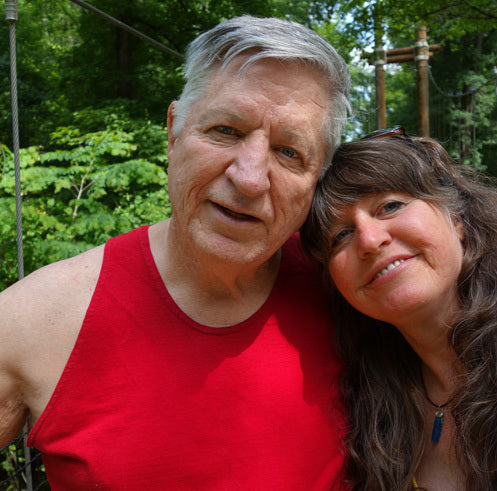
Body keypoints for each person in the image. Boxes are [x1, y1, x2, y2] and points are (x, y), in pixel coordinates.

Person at [0, 15, 352, 490]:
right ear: (173, 130)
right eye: (225, 130)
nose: (249, 178)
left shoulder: (354, 297)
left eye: (290, 152)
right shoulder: (33, 321)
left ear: (317, 179)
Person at [301, 132, 497, 490]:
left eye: (391, 205)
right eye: (341, 236)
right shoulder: (376, 394)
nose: (369, 239)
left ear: (457, 219)